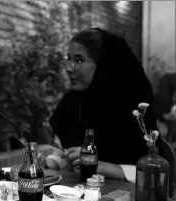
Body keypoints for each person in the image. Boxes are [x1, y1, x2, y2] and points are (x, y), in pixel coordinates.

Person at [49, 28, 163, 182]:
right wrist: (55, 158)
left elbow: (156, 175)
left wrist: (102, 166)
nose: (69, 68)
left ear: (105, 64)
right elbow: (65, 151)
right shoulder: (73, 102)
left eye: (78, 60)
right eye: (69, 58)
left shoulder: (133, 107)